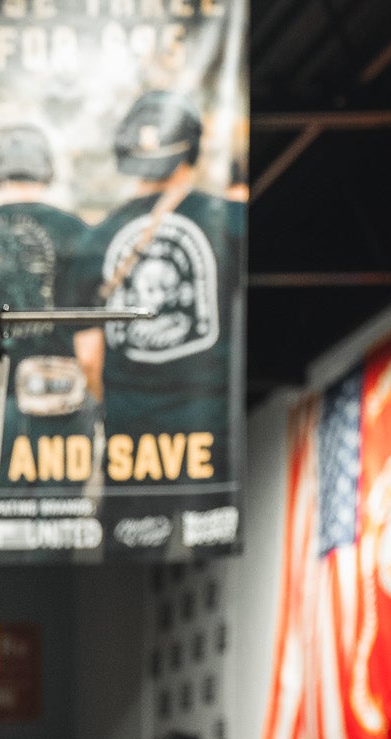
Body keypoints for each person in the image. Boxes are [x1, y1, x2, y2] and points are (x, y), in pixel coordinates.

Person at [89, 90, 245, 543]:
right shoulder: (232, 222)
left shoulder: (97, 237)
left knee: (126, 576)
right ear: (192, 150)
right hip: (209, 439)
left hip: (129, 447)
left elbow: (88, 359)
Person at [0, 125, 106, 496]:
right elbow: (90, 354)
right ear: (48, 173)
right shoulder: (78, 234)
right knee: (57, 529)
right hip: (61, 411)